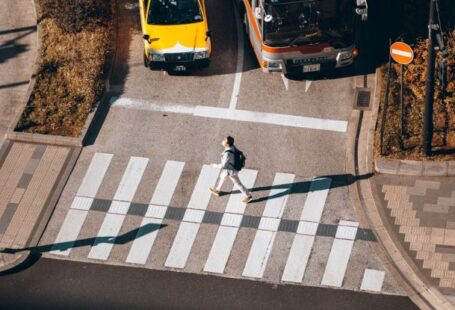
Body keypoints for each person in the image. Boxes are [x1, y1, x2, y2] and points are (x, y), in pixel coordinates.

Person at [209, 136, 253, 203]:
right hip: (232, 169)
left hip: (230, 171)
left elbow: (223, 165)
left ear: (227, 144)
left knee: (237, 183)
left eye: (224, 140)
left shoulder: (227, 153)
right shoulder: (233, 146)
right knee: (222, 177)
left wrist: (214, 165)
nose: (223, 141)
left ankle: (248, 196)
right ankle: (217, 189)